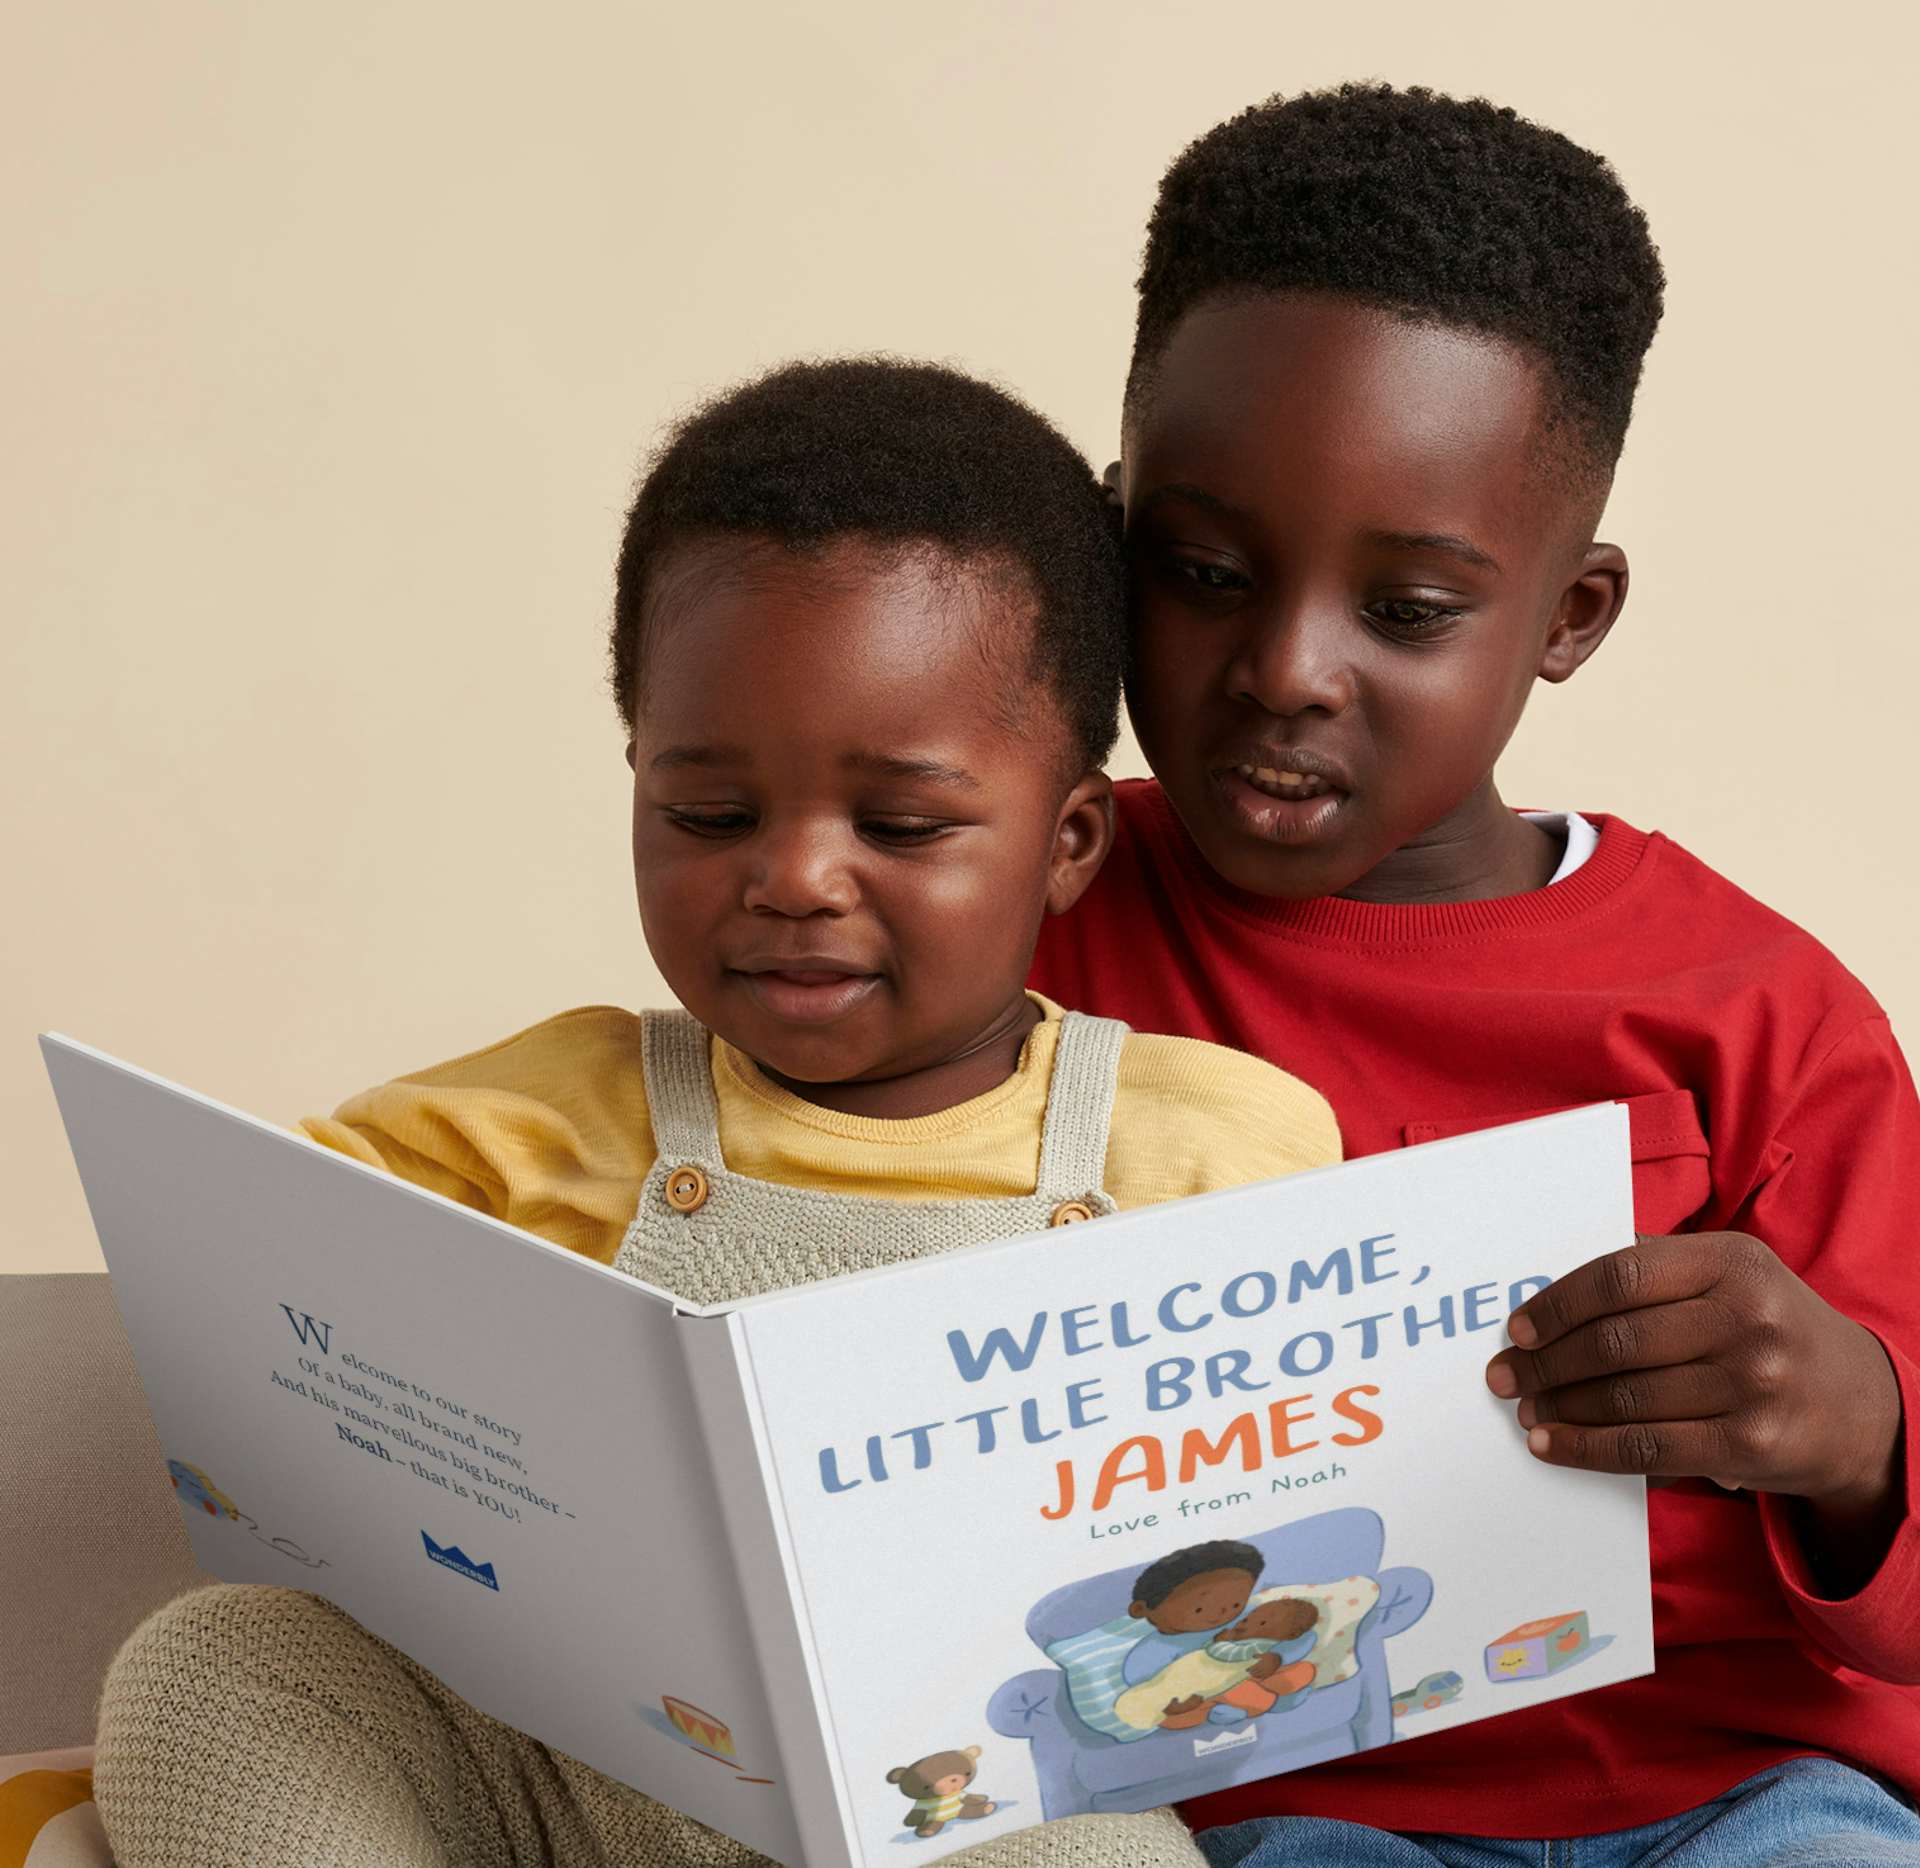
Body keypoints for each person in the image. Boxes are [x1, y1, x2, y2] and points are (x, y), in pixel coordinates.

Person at [90, 357, 1341, 1868]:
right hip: (545, 1781)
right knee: (217, 1662)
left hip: (951, 1800)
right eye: (709, 816)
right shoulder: (539, 1114)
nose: (795, 877)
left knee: (1092, 1851)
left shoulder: (1212, 1143)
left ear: (1070, 839)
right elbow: (259, 1299)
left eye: (902, 824)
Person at [1030, 83, 1920, 1865]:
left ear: (1568, 617)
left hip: (1738, 1801)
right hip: (1272, 1812)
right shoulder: (1022, 924)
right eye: (1200, 572)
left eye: (1411, 610)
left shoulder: (1756, 1017)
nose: (1285, 669)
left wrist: (1854, 1431)